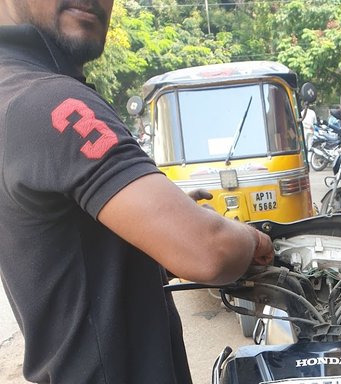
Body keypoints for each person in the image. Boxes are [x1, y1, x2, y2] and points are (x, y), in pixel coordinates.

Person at [0, 1, 274, 383]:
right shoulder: (51, 101)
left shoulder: (12, 93)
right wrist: (250, 237)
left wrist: (170, 215)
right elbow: (209, 251)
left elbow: (68, 262)